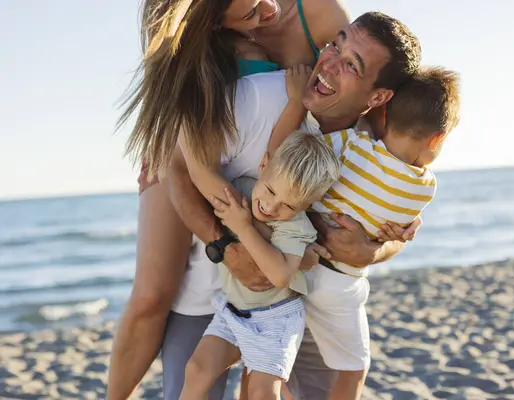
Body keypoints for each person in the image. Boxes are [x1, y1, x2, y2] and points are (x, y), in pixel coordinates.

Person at [168, 11, 423, 399]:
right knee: (193, 376)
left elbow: (399, 227)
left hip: (304, 304)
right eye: (336, 44)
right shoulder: (258, 100)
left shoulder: (374, 147)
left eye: (351, 65)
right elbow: (180, 171)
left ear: (378, 97)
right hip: (217, 291)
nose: (330, 63)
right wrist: (225, 244)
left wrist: (377, 249)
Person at [107, 1, 352, 399]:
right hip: (190, 163)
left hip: (267, 182)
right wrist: (226, 239)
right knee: (151, 296)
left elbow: (371, 97)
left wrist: (387, 231)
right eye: (252, 6)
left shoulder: (317, 13)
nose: (269, 6)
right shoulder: (190, 38)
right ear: (208, 17)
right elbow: (172, 114)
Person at [298, 66, 462, 399]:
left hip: (299, 261)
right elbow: (392, 232)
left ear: (384, 112)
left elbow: (312, 143)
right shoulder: (424, 188)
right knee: (354, 367)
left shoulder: (350, 144)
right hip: (340, 285)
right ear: (438, 138)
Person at [179, 132, 340, 399]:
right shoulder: (240, 188)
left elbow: (279, 276)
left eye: (288, 204)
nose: (270, 206)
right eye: (270, 190)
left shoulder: (296, 227)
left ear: (307, 205)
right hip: (233, 309)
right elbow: (198, 178)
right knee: (197, 368)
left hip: (276, 319)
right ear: (263, 165)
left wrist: (244, 227)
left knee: (261, 393)